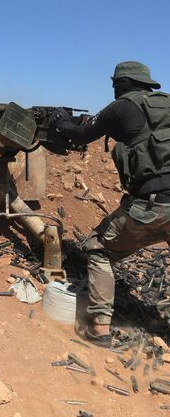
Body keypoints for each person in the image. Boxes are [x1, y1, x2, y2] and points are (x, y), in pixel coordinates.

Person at [50, 61, 170, 347]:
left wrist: (58, 121)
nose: (114, 89)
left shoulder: (121, 108)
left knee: (98, 249)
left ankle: (99, 328)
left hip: (151, 206)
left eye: (116, 83)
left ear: (125, 83)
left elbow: (80, 135)